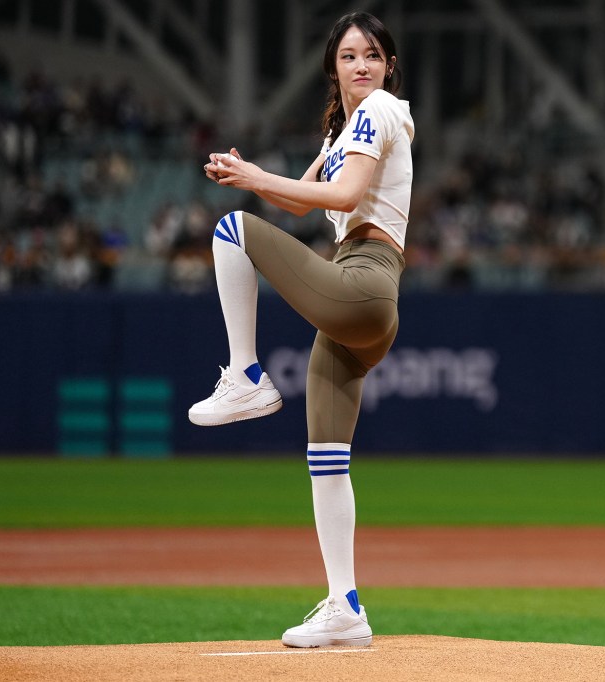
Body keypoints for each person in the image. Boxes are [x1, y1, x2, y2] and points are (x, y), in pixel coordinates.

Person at [187, 11, 413, 648]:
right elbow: (301, 197)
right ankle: (347, 607)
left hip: (364, 282)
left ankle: (245, 376)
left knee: (232, 230)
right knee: (326, 458)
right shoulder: (345, 129)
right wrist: (254, 173)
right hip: (361, 309)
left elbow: (345, 199)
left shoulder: (382, 110)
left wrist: (253, 182)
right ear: (333, 67)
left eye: (372, 54)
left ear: (389, 65)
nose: (362, 65)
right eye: (349, 56)